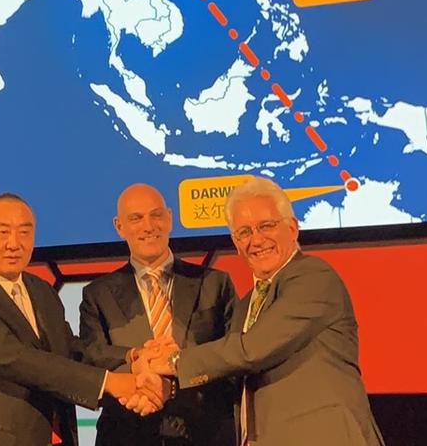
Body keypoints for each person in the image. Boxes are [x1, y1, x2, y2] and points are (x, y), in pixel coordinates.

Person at [139, 177, 385, 446]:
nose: (256, 240)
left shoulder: (314, 277)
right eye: (244, 232)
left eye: (266, 226)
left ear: (292, 228)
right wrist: (165, 387)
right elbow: (227, 375)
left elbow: (253, 349)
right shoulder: (245, 306)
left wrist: (175, 362)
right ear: (235, 241)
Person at [0, 193, 165, 446]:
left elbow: (70, 350)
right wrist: (110, 383)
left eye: (24, 233)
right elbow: (16, 359)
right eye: (3, 232)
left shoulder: (42, 291)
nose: (14, 243)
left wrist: (131, 358)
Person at [79, 183, 237, 446]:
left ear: (170, 219)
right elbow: (92, 360)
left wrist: (173, 388)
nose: (148, 226)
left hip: (206, 433)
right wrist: (141, 376)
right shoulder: (97, 295)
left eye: (156, 215)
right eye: (136, 218)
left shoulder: (215, 284)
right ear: (119, 227)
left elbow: (233, 359)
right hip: (126, 435)